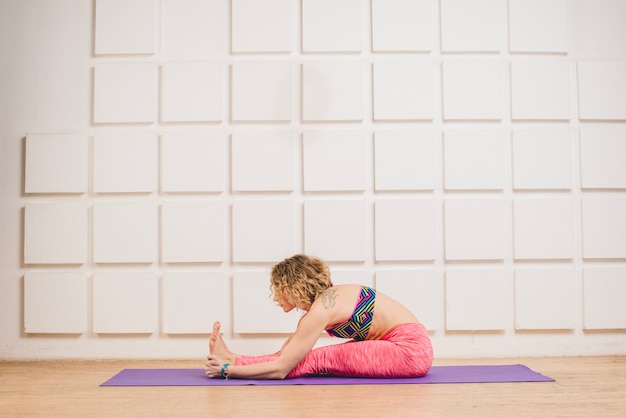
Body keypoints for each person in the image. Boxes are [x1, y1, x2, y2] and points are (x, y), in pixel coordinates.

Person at [205, 254, 433, 380]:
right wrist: (233, 358)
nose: (275, 295)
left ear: (291, 286)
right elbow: (286, 355)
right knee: (309, 357)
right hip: (410, 345)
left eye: (277, 287)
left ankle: (232, 361)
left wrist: (228, 371)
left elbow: (281, 369)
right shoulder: (326, 301)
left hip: (409, 351)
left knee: (317, 359)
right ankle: (233, 357)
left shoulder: (319, 311)